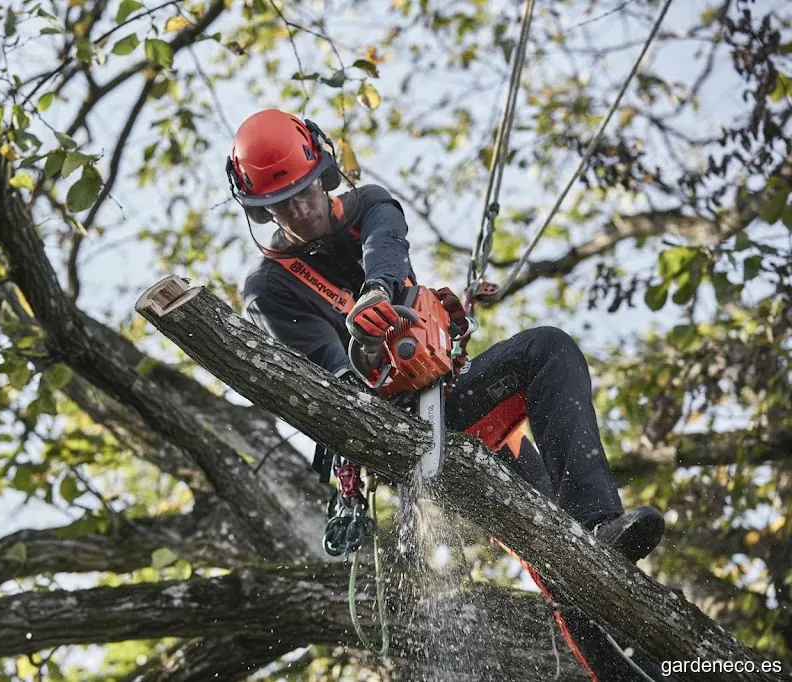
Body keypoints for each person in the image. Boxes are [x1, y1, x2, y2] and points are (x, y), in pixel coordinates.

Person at [227, 108, 665, 562]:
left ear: (325, 172)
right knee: (542, 385)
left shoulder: (369, 205)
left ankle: (596, 533)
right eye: (284, 202)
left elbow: (386, 246)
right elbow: (330, 384)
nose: (301, 208)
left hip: (454, 390)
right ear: (262, 211)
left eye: (306, 189)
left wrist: (377, 292)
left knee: (549, 367)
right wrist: (367, 352)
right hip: (396, 427)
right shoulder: (269, 287)